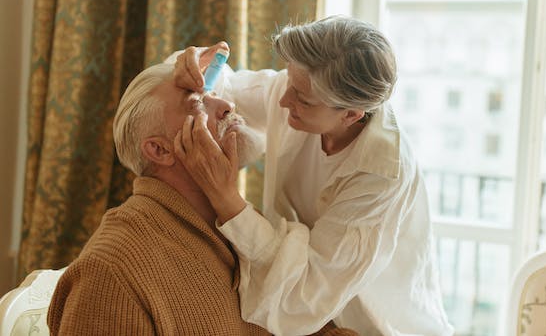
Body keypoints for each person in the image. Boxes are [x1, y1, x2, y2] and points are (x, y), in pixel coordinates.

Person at [171, 16, 454, 336]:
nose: (283, 100)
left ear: (351, 114)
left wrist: (225, 198)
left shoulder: (380, 175)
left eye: (302, 99)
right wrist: (192, 66)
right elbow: (226, 87)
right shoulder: (296, 89)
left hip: (371, 324)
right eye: (290, 81)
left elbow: (306, 294)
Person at [47, 62, 357, 336]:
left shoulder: (241, 227)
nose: (227, 105)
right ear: (160, 150)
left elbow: (307, 325)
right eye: (198, 102)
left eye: (215, 95)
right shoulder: (112, 272)